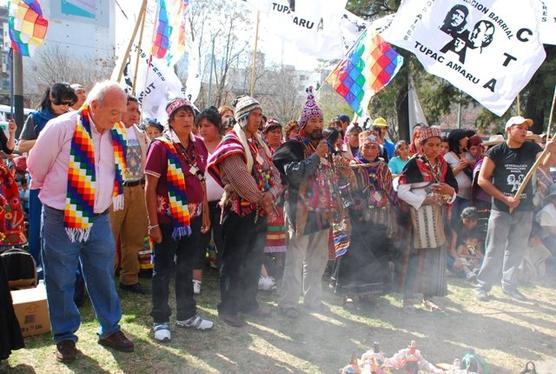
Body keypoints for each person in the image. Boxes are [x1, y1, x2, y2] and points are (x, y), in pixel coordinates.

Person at [27, 81, 134, 363]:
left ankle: (110, 329)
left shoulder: (116, 132)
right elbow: (36, 166)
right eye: (114, 112)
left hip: (98, 219)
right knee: (60, 278)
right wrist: (62, 197)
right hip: (61, 217)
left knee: (102, 274)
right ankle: (64, 338)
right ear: (94, 106)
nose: (118, 118)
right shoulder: (62, 126)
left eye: (120, 112)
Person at [207, 95, 283, 327]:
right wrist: (265, 198)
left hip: (258, 212)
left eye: (260, 115)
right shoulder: (232, 143)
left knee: (253, 258)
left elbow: (275, 173)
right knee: (233, 260)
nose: (260, 120)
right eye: (256, 115)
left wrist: (272, 192)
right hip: (239, 213)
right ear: (243, 117)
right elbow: (241, 181)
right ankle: (228, 308)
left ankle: (249, 303)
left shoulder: (257, 142)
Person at [145, 98, 213, 341]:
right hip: (166, 219)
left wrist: (204, 212)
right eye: (180, 115)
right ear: (171, 121)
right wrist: (153, 224)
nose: (186, 119)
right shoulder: (160, 147)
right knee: (162, 269)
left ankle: (186, 315)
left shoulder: (199, 145)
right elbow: (149, 187)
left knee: (185, 267)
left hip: (192, 219)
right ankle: (161, 319)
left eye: (189, 115)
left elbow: (201, 182)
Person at [273, 87, 338, 318]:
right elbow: (295, 175)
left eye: (321, 120)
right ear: (303, 124)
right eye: (313, 121)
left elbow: (328, 177)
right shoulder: (293, 147)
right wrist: (316, 156)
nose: (318, 125)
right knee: (295, 259)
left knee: (318, 260)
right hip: (299, 211)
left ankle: (313, 300)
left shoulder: (323, 147)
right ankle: (288, 303)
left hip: (322, 211)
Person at [476, 116, 556, 301]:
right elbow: (482, 179)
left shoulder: (531, 148)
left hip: (525, 208)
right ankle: (483, 286)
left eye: (525, 128)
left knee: (517, 248)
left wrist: (551, 150)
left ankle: (509, 286)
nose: (523, 131)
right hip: (501, 208)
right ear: (508, 130)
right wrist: (505, 198)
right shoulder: (496, 152)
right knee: (494, 248)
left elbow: (544, 165)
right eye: (519, 127)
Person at [18, 83, 77, 275]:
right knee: (38, 229)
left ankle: (68, 272)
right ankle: (38, 270)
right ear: (51, 99)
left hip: (67, 182)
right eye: (61, 103)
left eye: (69, 103)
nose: (65, 107)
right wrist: (50, 136)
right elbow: (22, 145)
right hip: (41, 183)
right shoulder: (36, 118)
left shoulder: (72, 118)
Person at [397, 126, 457, 311]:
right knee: (416, 258)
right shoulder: (414, 164)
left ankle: (428, 297)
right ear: (421, 146)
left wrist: (450, 192)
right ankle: (409, 300)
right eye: (430, 145)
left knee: (433, 258)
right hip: (417, 220)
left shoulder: (444, 165)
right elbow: (401, 190)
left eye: (438, 145)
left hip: (437, 218)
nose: (435, 148)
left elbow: (453, 191)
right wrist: (424, 200)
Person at [334, 132, 397, 306]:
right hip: (358, 219)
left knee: (377, 254)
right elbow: (345, 192)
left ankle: (370, 294)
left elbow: (389, 190)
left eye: (373, 147)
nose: (370, 150)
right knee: (355, 254)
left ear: (379, 149)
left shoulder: (383, 167)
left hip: (379, 219)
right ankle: (349, 293)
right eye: (366, 147)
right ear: (360, 148)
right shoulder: (352, 167)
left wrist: (387, 202)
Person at [109, 95, 150, 294]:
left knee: (133, 237)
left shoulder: (141, 134)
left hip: (138, 188)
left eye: (137, 110)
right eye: (131, 109)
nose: (135, 114)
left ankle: (130, 278)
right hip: (115, 191)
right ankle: (106, 279)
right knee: (109, 236)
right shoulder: (110, 132)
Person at [196, 106, 225, 294]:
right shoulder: (195, 145)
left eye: (207, 125)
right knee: (198, 242)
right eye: (200, 126)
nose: (203, 129)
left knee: (224, 242)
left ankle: (226, 280)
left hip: (224, 203)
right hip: (200, 203)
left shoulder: (226, 144)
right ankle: (195, 280)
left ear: (217, 126)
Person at [260, 119, 287, 289]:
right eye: (272, 131)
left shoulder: (286, 151)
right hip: (266, 200)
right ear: (265, 135)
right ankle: (266, 275)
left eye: (278, 131)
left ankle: (279, 274)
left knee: (282, 241)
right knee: (264, 240)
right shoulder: (262, 152)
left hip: (283, 201)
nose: (276, 135)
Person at [444, 129, 475, 226]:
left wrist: (470, 163)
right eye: (463, 137)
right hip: (455, 195)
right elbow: (445, 176)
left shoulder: (470, 155)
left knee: (465, 221)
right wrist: (459, 167)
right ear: (457, 140)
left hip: (468, 195)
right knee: (454, 221)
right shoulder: (448, 156)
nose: (467, 138)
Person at [449, 207, 484, 280]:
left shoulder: (477, 230)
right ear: (462, 218)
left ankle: (475, 270)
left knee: (479, 261)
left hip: (470, 254)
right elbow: (452, 249)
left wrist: (478, 258)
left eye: (473, 221)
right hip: (456, 255)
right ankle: (469, 273)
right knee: (460, 263)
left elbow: (477, 250)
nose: (470, 224)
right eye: (467, 221)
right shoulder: (456, 227)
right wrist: (457, 259)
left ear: (477, 221)